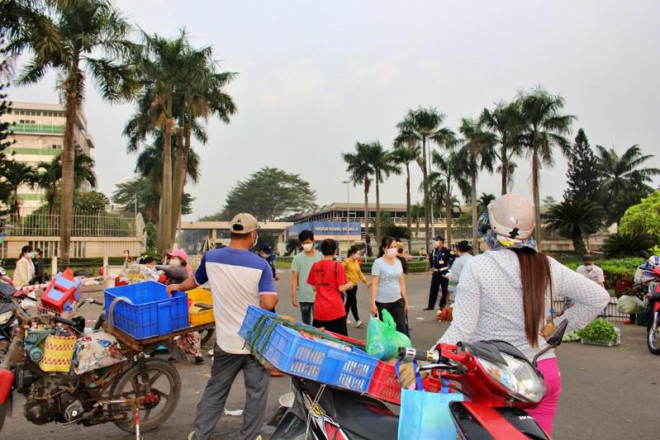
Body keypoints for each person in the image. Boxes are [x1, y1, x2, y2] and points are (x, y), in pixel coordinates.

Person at [436, 194, 609, 434]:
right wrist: (558, 326)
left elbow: (462, 328)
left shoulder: (478, 266)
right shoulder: (547, 265)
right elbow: (598, 297)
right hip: (541, 374)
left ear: (491, 226)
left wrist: (429, 358)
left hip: (495, 377)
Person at [167, 213, 277, 440]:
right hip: (255, 342)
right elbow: (268, 303)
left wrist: (176, 287)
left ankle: (200, 435)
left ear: (231, 232)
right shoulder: (261, 265)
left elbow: (194, 281)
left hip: (226, 343)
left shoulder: (211, 257)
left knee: (215, 391)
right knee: (256, 393)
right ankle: (250, 436)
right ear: (253, 234)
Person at [160, 249, 203, 365]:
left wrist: (156, 267)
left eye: (174, 258)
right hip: (173, 303)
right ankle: (176, 354)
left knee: (188, 329)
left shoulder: (182, 270)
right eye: (171, 258)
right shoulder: (174, 269)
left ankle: (197, 355)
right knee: (173, 329)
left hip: (182, 304)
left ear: (181, 259)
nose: (172, 260)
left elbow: (171, 272)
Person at [306, 238, 353, 336]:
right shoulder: (338, 266)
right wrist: (349, 285)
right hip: (336, 311)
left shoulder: (315, 266)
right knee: (339, 341)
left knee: (319, 340)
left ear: (321, 251)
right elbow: (341, 288)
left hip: (319, 311)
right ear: (335, 251)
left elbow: (314, 288)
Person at [371, 236, 409, 335]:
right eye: (391, 247)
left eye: (395, 246)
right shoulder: (378, 263)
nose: (394, 249)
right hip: (382, 303)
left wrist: (406, 301)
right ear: (384, 248)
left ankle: (400, 345)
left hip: (397, 301)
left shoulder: (398, 262)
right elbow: (375, 284)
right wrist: (373, 303)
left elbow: (402, 283)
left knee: (401, 329)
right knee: (385, 332)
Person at [291, 230, 322, 325]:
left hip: (319, 296)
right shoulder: (297, 258)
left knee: (319, 323)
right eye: (303, 243)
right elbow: (294, 278)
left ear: (313, 241)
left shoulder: (321, 257)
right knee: (306, 324)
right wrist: (294, 296)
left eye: (308, 242)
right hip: (304, 296)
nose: (306, 245)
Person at [342, 246, 370, 328]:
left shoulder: (356, 262)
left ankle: (343, 318)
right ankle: (357, 320)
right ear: (352, 254)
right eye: (358, 254)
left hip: (355, 285)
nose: (359, 256)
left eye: (359, 254)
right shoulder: (346, 262)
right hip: (348, 286)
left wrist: (366, 282)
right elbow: (339, 272)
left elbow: (359, 273)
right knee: (353, 301)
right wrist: (345, 282)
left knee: (349, 302)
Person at [424, 234, 452, 310]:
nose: (435, 242)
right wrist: (431, 267)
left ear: (441, 242)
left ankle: (442, 305)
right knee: (433, 289)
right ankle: (431, 305)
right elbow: (431, 259)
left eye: (437, 240)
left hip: (444, 272)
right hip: (436, 272)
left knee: (444, 289)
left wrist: (449, 264)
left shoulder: (447, 251)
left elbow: (453, 258)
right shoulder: (434, 251)